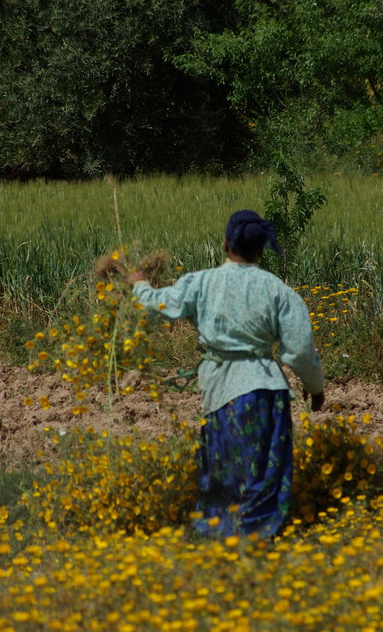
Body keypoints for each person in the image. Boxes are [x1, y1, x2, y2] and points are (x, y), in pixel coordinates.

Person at [127, 209, 324, 539]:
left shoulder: (202, 282)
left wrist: (140, 286)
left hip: (221, 390)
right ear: (261, 250)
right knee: (263, 469)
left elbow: (163, 304)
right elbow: (300, 349)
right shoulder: (276, 289)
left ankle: (219, 536)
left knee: (222, 467)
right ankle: (256, 537)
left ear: (225, 243)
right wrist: (315, 386)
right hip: (265, 390)